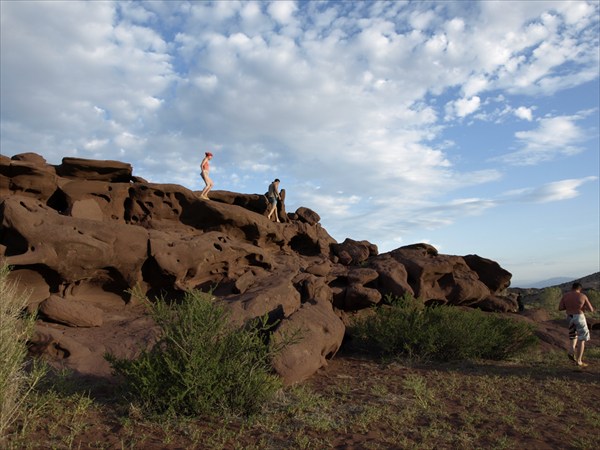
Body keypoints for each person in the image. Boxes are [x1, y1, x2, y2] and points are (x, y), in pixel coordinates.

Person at [558, 282, 594, 367]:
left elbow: (560, 308)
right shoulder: (582, 296)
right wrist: (582, 307)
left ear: (572, 288)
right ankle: (579, 361)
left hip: (569, 317)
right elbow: (591, 310)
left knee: (573, 335)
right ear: (579, 289)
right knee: (582, 338)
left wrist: (569, 307)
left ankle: (571, 351)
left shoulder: (565, 296)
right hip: (579, 317)